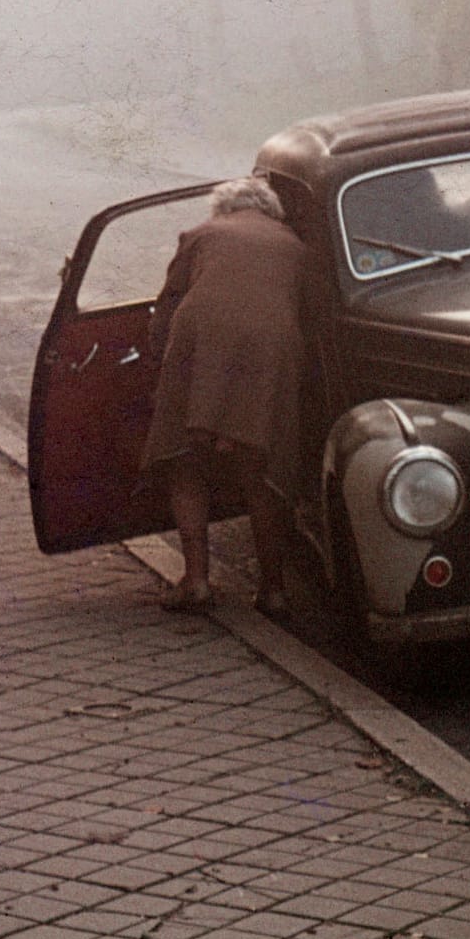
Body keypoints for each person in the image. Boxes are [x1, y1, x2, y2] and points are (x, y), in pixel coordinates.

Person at [141, 177, 307, 617]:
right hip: (272, 352)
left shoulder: (201, 235)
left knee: (186, 462)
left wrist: (160, 363)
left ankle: (195, 582)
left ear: (224, 209)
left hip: (202, 343)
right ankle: (274, 591)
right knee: (261, 470)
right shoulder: (294, 246)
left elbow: (168, 304)